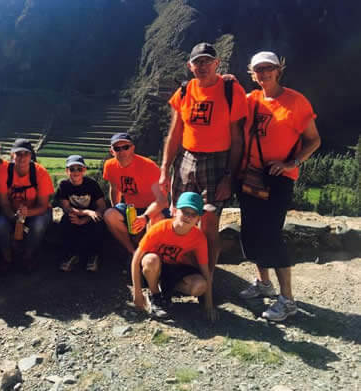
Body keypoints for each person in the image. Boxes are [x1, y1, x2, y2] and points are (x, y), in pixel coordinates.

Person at [237, 51, 320, 321]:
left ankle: (287, 299)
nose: (264, 73)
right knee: (251, 232)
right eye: (258, 69)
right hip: (250, 175)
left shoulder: (295, 101)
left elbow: (313, 140)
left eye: (268, 68)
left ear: (278, 70)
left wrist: (291, 163)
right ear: (252, 73)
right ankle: (265, 284)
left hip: (279, 177)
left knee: (271, 234)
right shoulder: (250, 100)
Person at [160, 42, 247, 274]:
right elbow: (174, 133)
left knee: (209, 222)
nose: (203, 66)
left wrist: (229, 177)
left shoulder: (231, 90)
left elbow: (237, 139)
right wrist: (165, 169)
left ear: (217, 63)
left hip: (217, 162)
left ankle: (207, 276)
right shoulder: (184, 91)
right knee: (179, 217)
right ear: (190, 66)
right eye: (198, 62)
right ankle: (176, 270)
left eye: (208, 61)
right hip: (185, 160)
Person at [131, 192, 217, 321]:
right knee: (151, 260)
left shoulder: (198, 238)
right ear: (176, 211)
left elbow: (206, 270)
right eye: (185, 211)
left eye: (193, 214)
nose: (188, 217)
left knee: (200, 285)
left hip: (175, 268)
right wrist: (137, 293)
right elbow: (136, 260)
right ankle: (155, 295)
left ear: (198, 219)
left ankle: (166, 289)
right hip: (154, 266)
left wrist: (209, 305)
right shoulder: (160, 228)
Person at [102, 133, 167, 254]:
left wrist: (145, 217)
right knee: (109, 215)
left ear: (132, 148)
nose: (122, 152)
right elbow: (115, 189)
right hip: (131, 208)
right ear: (112, 151)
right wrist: (115, 208)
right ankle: (133, 252)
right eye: (117, 148)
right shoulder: (109, 166)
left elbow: (162, 200)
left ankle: (149, 256)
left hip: (153, 209)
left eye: (125, 147)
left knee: (156, 219)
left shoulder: (148, 166)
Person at [0, 139, 54, 271]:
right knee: (1, 226)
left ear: (31, 155)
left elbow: (43, 205)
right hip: (12, 211)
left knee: (38, 225)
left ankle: (27, 257)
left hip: (36, 211)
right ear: (12, 155)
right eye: (18, 154)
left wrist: (27, 213)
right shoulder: (5, 170)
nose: (22, 158)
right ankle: (7, 259)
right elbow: (3, 202)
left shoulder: (40, 173)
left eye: (25, 154)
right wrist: (14, 217)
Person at [56, 155, 107, 272]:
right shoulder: (64, 185)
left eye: (79, 169)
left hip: (90, 218)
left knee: (98, 221)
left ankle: (93, 256)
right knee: (65, 221)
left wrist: (85, 219)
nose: (76, 172)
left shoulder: (92, 184)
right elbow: (67, 208)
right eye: (72, 169)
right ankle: (70, 255)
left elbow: (102, 206)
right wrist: (87, 212)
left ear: (84, 170)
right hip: (74, 215)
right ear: (67, 171)